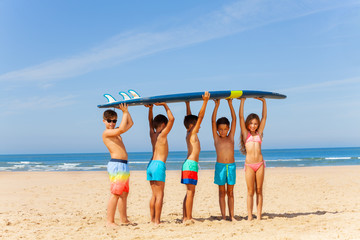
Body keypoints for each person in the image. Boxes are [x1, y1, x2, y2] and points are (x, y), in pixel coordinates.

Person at [102, 104, 133, 227]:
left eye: (114, 121)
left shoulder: (117, 132)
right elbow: (120, 129)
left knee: (124, 194)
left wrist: (126, 111)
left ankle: (124, 219)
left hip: (123, 165)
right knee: (115, 193)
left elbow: (130, 124)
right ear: (104, 121)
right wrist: (124, 112)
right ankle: (110, 221)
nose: (111, 123)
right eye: (109, 121)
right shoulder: (107, 133)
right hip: (116, 165)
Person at [181, 92, 210, 224]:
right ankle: (188, 217)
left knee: (189, 192)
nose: (200, 125)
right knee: (191, 192)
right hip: (191, 165)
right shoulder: (192, 133)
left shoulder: (189, 131)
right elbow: (200, 117)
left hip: (189, 164)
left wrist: (187, 104)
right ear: (193, 126)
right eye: (197, 124)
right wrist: (205, 101)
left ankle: (185, 216)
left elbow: (191, 118)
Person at [145, 103, 175, 225]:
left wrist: (151, 109)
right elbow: (172, 119)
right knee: (160, 195)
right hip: (158, 165)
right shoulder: (163, 134)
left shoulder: (152, 134)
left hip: (150, 164)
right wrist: (164, 105)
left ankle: (152, 219)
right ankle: (157, 220)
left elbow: (149, 121)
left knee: (154, 195)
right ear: (163, 125)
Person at [239, 97, 267, 220]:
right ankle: (250, 216)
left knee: (259, 190)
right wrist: (242, 101)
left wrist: (264, 102)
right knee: (250, 191)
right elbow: (240, 117)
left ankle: (259, 216)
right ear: (247, 124)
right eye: (251, 123)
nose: (253, 125)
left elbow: (264, 117)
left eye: (255, 123)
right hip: (249, 165)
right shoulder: (246, 134)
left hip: (260, 164)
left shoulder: (259, 133)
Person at [211, 99, 236, 221]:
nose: (222, 131)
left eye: (225, 129)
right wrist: (217, 105)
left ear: (228, 129)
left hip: (231, 166)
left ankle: (232, 216)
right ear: (216, 129)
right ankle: (224, 217)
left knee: (230, 192)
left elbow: (235, 119)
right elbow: (212, 120)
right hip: (220, 167)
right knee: (222, 192)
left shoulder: (230, 137)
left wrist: (230, 104)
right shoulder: (217, 139)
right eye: (220, 129)